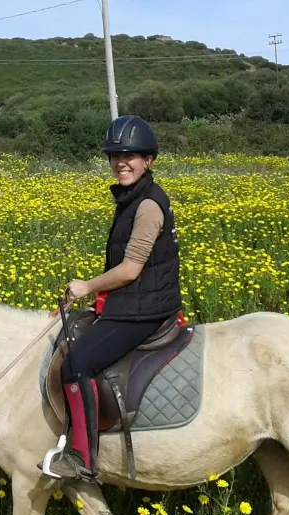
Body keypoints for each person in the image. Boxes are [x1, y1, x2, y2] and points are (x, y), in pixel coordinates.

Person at [45, 115, 183, 481]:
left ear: (148, 160)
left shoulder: (148, 205)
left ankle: (82, 457)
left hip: (145, 310)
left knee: (76, 364)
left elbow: (131, 269)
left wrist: (87, 286)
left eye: (130, 156)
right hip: (135, 302)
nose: (121, 162)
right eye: (114, 155)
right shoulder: (133, 198)